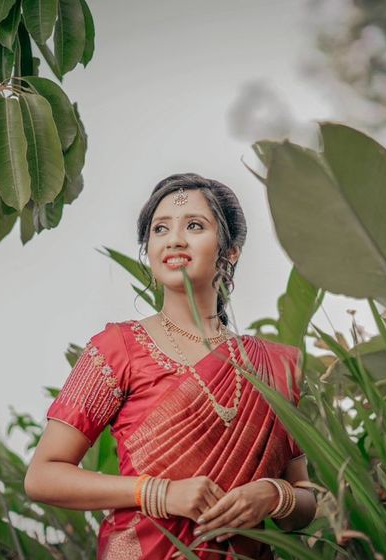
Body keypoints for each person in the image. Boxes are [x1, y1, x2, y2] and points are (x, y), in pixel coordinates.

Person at [25, 173, 317, 559]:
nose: (174, 239)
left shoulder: (277, 367)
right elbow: (43, 476)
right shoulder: (116, 349)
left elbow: (304, 505)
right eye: (160, 229)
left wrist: (273, 495)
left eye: (194, 226)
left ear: (231, 251)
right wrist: (160, 493)